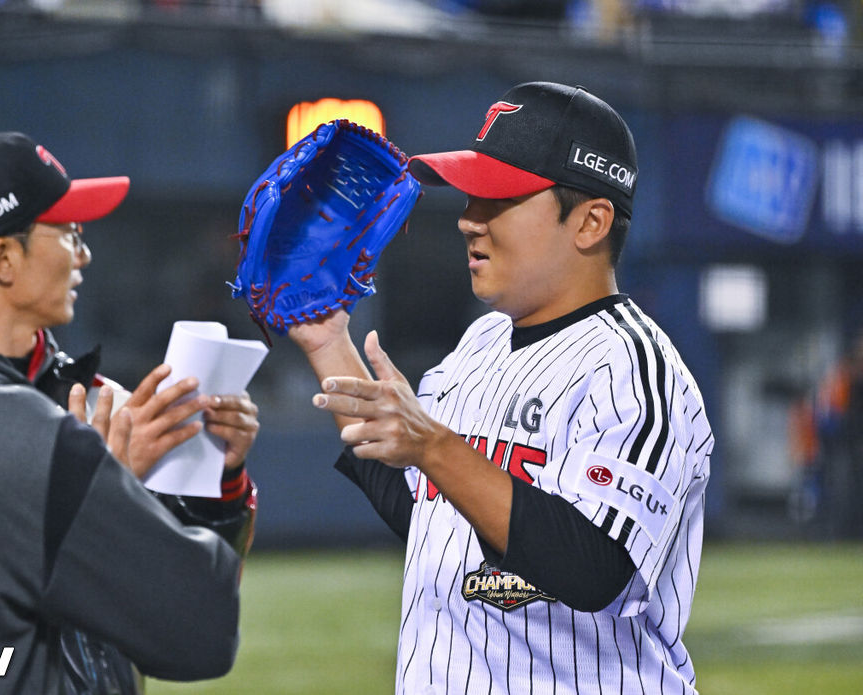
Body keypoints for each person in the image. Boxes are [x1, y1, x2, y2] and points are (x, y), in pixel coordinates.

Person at [288, 82, 712, 693]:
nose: (467, 218)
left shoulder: (634, 370)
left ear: (590, 221)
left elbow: (596, 570)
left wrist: (433, 445)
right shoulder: (480, 344)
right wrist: (329, 341)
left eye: (499, 199)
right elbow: (433, 522)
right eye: (470, 195)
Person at [0, 95, 242, 693]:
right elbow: (201, 627)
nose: (83, 253)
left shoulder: (51, 408)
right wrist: (99, 491)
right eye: (68, 232)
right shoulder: (17, 437)